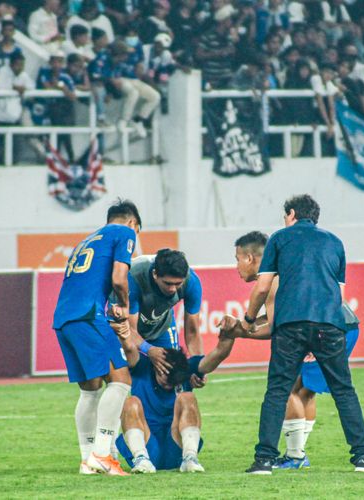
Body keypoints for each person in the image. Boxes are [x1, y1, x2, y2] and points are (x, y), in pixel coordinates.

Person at [238, 194, 364, 475]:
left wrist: (248, 319)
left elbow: (263, 287)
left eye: (284, 216)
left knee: (278, 391)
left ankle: (264, 459)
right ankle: (363, 457)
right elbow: (338, 295)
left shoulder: (280, 239)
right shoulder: (335, 243)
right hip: (329, 324)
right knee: (343, 390)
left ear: (292, 214)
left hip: (290, 325)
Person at [222, 230, 362, 469]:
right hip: (344, 325)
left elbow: (278, 330)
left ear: (249, 258)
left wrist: (241, 331)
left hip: (329, 328)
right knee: (304, 389)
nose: (236, 266)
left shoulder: (272, 282)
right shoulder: (283, 273)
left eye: (237, 259)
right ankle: (297, 454)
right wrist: (247, 325)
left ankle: (295, 456)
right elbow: (276, 319)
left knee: (288, 389)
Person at [52, 199, 142, 476]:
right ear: (133, 223)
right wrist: (124, 308)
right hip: (88, 315)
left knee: (90, 389)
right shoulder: (124, 232)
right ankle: (102, 455)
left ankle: (86, 458)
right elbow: (119, 278)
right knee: (122, 379)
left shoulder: (87, 240)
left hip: (63, 318)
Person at [110, 317, 236, 473]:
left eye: (173, 383)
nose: (169, 386)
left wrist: (229, 335)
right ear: (158, 367)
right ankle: (141, 459)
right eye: (165, 382)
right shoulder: (141, 366)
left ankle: (190, 458)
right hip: (146, 442)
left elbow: (218, 355)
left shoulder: (185, 368)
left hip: (176, 445)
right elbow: (129, 348)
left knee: (187, 397)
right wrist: (123, 331)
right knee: (130, 402)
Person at [110, 249, 204, 376]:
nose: (172, 289)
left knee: (172, 376)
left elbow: (192, 332)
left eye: (178, 284)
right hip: (126, 330)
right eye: (168, 283)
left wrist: (197, 368)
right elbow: (128, 329)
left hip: (160, 328)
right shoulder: (133, 278)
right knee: (128, 379)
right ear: (155, 274)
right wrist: (149, 349)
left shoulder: (191, 282)